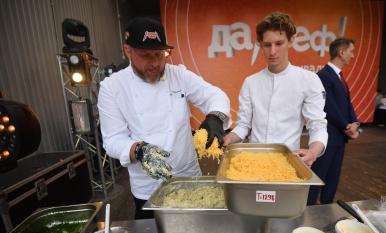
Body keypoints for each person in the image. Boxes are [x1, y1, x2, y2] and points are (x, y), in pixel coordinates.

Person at [98, 17, 231, 219]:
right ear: (128, 51)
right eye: (145, 55)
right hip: (148, 187)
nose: (155, 63)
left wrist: (216, 117)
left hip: (188, 177)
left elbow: (215, 95)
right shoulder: (113, 87)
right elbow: (112, 140)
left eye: (160, 54)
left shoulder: (178, 75)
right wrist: (139, 150)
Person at [223, 11, 328, 167]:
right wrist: (228, 139)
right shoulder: (251, 82)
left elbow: (317, 125)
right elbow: (244, 125)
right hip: (254, 162)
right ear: (260, 44)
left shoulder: (308, 80)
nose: (272, 51)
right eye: (267, 45)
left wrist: (312, 152)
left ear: (291, 41)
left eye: (279, 43)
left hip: (288, 162)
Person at [308, 38, 360, 205]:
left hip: (340, 137)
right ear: (341, 52)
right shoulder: (323, 76)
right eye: (351, 52)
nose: (353, 56)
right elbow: (329, 106)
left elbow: (346, 104)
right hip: (327, 136)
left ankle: (327, 207)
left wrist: (355, 123)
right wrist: (346, 126)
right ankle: (309, 207)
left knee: (333, 175)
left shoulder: (339, 77)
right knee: (319, 174)